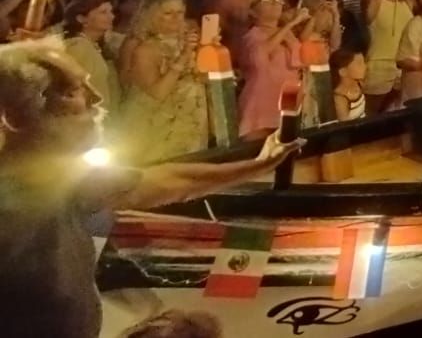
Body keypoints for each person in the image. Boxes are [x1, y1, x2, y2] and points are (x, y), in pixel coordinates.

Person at [0, 37, 302, 338]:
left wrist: (258, 165)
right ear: (15, 117)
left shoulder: (69, 179)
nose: (97, 99)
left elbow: (165, 181)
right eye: (72, 92)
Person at [118, 0, 208, 163]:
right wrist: (184, 56)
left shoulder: (188, 41)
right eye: (168, 13)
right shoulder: (144, 49)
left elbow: (200, 79)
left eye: (180, 12)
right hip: (159, 123)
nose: (176, 18)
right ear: (152, 17)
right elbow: (158, 93)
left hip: (190, 120)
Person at [235, 0, 309, 137]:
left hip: (287, 99)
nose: (275, 4)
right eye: (267, 0)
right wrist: (291, 24)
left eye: (278, 0)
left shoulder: (288, 35)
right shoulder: (252, 36)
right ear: (253, 11)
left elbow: (300, 62)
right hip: (261, 102)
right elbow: (259, 59)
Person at [60, 0, 122, 120]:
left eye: (111, 12)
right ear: (81, 18)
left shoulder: (94, 46)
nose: (111, 16)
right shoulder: (78, 46)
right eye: (103, 12)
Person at [330, 47, 367, 121]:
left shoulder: (359, 83)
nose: (365, 66)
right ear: (343, 72)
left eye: (364, 62)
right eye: (359, 63)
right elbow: (346, 127)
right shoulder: (340, 99)